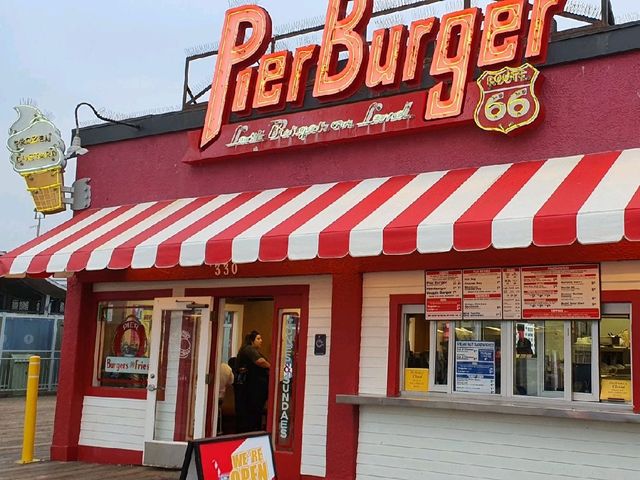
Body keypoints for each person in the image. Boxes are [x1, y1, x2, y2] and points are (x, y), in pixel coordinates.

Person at [236, 330, 270, 432]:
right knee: (254, 410)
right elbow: (260, 361)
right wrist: (272, 367)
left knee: (255, 410)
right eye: (258, 339)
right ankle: (253, 431)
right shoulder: (249, 349)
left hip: (255, 387)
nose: (261, 341)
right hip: (252, 388)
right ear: (252, 340)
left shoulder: (251, 350)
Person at [217, 362, 234, 434]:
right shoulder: (226, 368)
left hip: (215, 398)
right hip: (223, 397)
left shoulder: (204, 366)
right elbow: (231, 381)